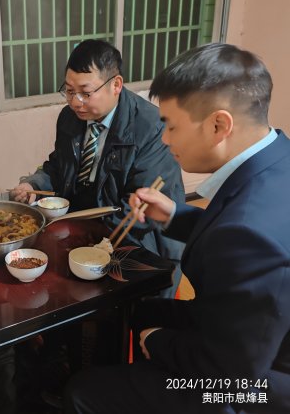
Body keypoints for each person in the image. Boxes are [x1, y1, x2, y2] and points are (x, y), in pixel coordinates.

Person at [64, 43, 290, 414]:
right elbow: (232, 235)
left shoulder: (252, 234)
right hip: (241, 331)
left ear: (219, 125)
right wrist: (173, 214)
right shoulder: (277, 157)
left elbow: (228, 372)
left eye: (170, 125)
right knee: (141, 313)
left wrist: (158, 342)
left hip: (253, 387)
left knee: (83, 391)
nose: (165, 138)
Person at [10, 39, 184, 277]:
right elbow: (59, 165)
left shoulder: (151, 127)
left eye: (85, 93)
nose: (75, 102)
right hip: (82, 231)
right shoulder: (70, 117)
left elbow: (140, 208)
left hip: (138, 242)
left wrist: (89, 237)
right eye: (69, 91)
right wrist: (34, 184)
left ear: (116, 85)